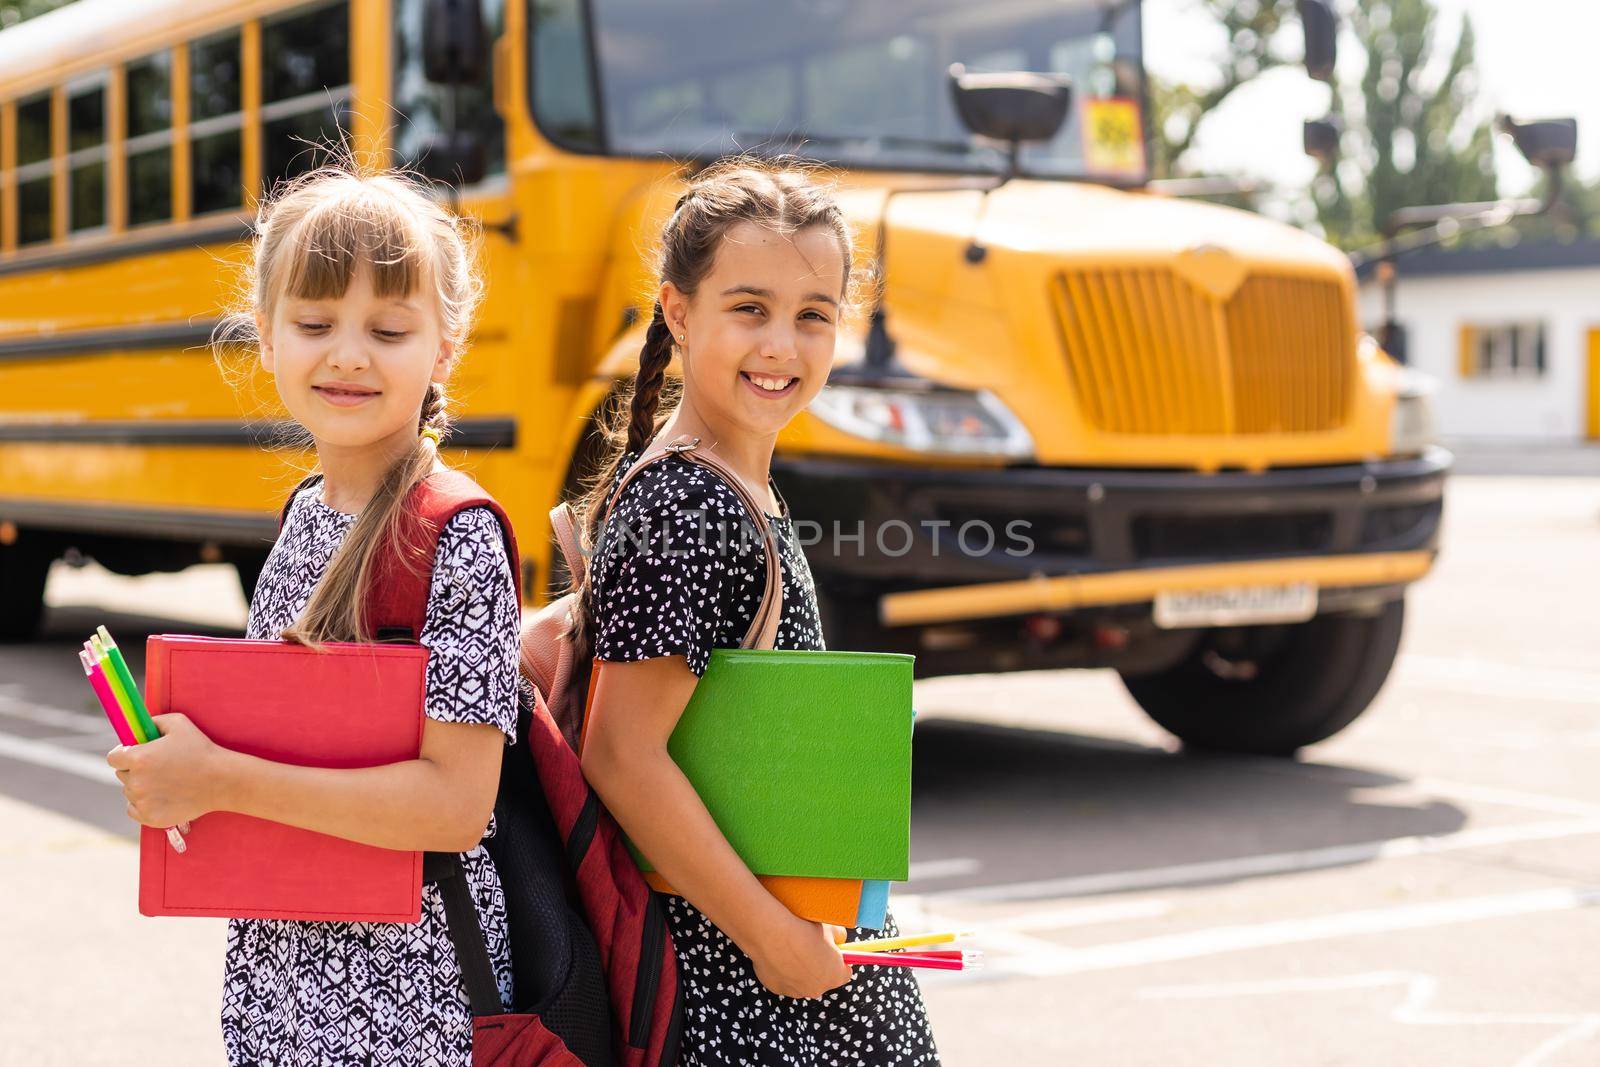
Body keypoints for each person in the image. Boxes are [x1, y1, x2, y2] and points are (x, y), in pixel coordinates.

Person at [107, 164, 521, 1065]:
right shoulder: (305, 513)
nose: (348, 354)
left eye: (388, 328)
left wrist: (218, 779)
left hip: (416, 1008)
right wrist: (175, 770)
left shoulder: (455, 536)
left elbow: (456, 807)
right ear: (264, 336)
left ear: (445, 345)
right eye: (314, 324)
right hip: (283, 989)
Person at [570, 157, 941, 1066]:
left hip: (790, 965)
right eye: (749, 309)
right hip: (753, 997)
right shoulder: (689, 504)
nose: (781, 344)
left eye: (813, 316)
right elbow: (622, 753)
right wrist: (773, 937)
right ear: (678, 311)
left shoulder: (730, 486)